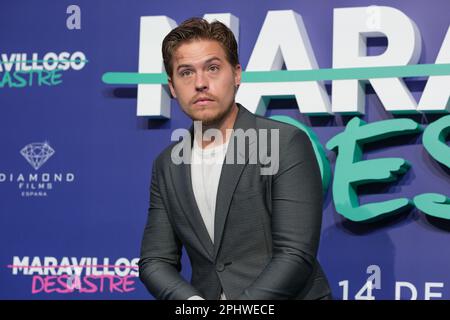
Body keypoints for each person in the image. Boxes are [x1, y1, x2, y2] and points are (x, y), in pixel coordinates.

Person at [138, 17, 331, 300]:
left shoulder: (284, 142)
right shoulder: (168, 164)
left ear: (237, 74)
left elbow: (295, 254)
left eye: (213, 68)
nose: (200, 83)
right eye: (186, 73)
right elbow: (155, 261)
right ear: (172, 86)